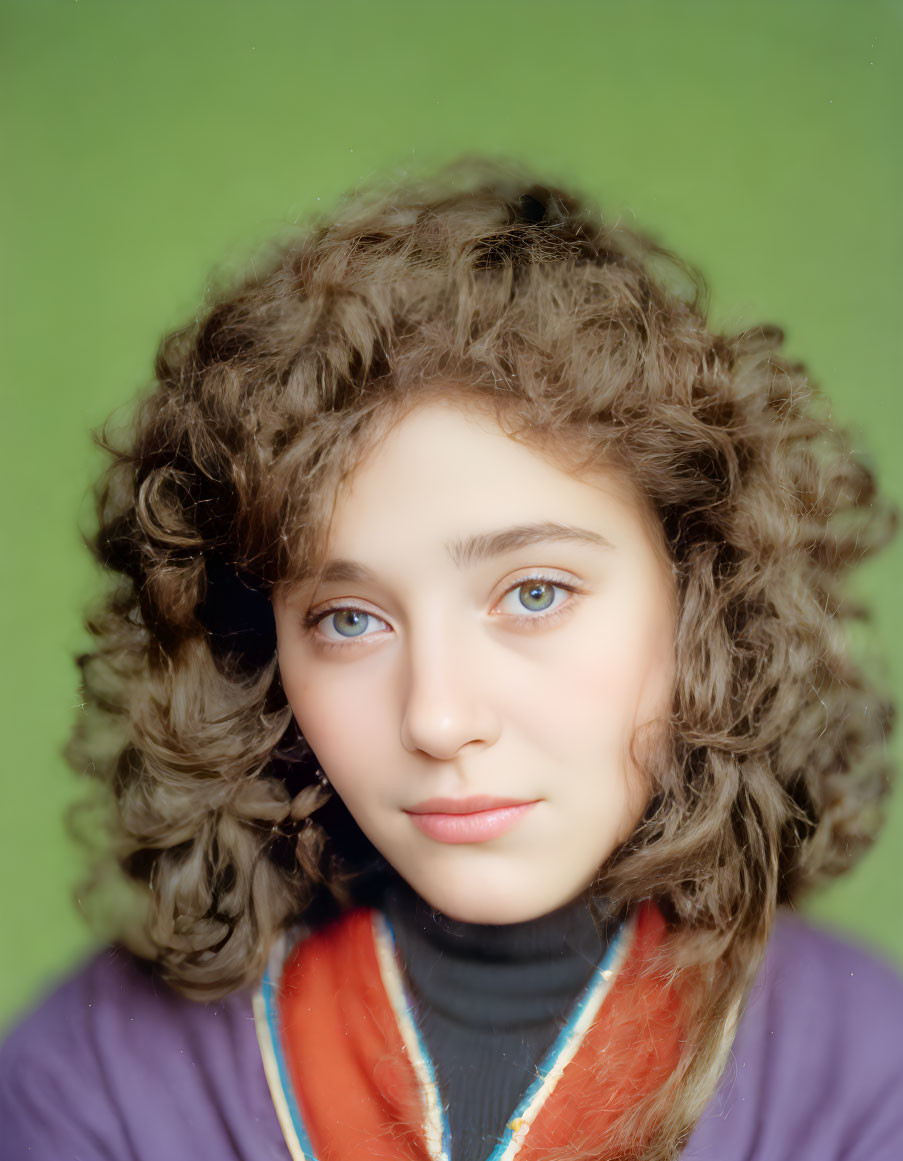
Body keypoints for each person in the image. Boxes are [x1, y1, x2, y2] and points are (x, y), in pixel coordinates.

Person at [2, 166, 902, 1161]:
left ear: (704, 597)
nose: (436, 718)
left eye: (534, 594)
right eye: (347, 619)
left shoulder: (869, 1075)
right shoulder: (93, 1076)